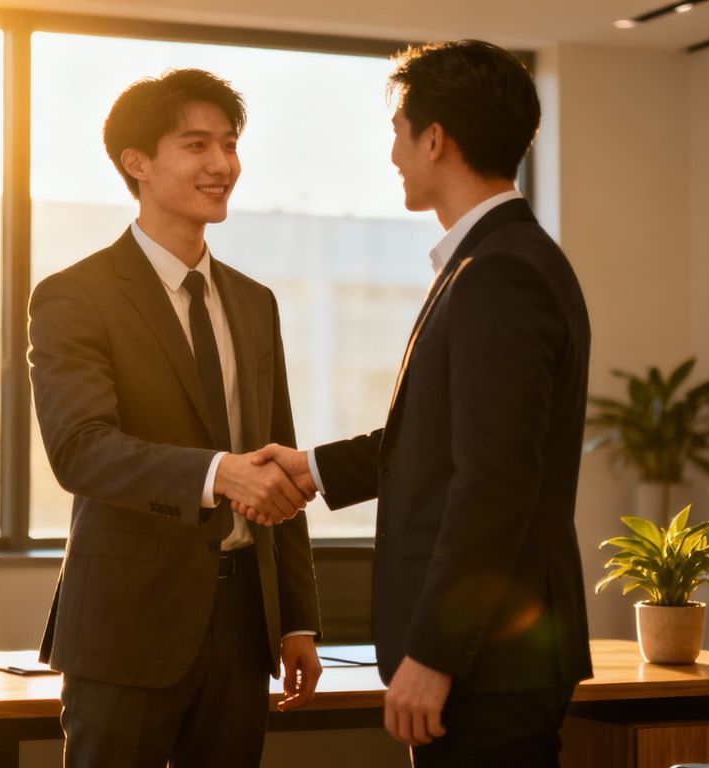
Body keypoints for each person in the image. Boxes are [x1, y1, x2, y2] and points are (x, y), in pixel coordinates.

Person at [243, 41, 594, 767]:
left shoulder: (499, 272)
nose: (394, 154)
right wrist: (311, 468)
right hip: (495, 654)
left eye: (400, 133)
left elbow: (493, 484)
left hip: (488, 658)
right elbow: (447, 443)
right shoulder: (498, 260)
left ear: (436, 140)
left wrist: (435, 653)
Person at [27, 68, 323, 768]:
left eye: (229, 143)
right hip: (126, 624)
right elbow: (80, 450)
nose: (222, 165)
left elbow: (277, 459)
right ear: (137, 162)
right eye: (197, 145)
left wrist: (299, 618)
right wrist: (219, 475)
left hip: (242, 628)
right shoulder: (74, 296)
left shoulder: (255, 303)